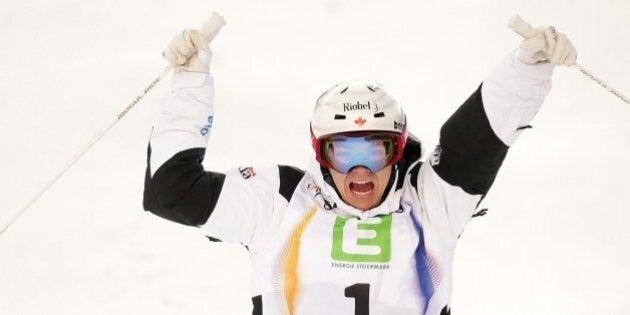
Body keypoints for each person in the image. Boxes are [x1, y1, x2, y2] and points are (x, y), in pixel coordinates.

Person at [143, 15, 577, 315]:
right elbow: (171, 192)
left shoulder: (430, 202)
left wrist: (526, 69)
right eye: (343, 152)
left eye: (376, 150)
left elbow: (474, 143)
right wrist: (189, 86)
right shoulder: (277, 202)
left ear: (399, 149)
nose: (360, 170)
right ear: (320, 153)